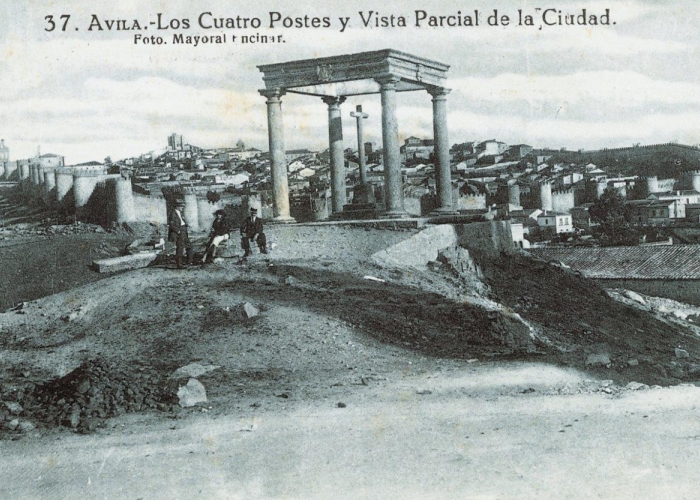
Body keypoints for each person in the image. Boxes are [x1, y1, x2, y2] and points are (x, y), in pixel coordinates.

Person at [168, 200, 193, 269]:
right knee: (180, 248)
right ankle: (179, 264)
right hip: (179, 232)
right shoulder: (173, 213)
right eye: (181, 207)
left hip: (184, 230)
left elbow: (181, 222)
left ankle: (189, 261)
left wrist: (186, 224)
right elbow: (171, 225)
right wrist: (178, 231)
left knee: (189, 245)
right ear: (177, 207)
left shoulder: (180, 213)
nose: (182, 208)